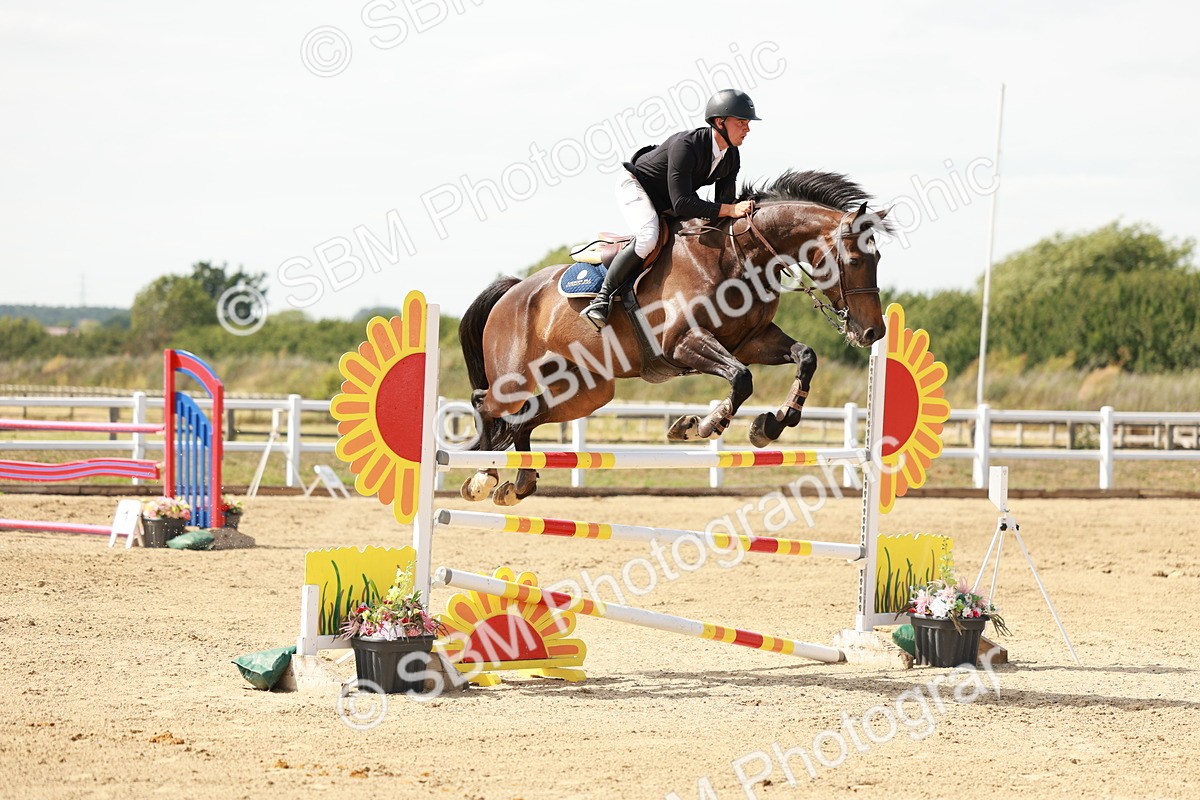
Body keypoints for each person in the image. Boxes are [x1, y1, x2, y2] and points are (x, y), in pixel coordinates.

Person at [581, 89, 760, 330]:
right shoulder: (687, 145)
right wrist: (730, 209)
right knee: (647, 238)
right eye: (741, 122)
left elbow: (723, 204)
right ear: (720, 122)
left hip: (669, 199)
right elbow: (683, 204)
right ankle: (602, 299)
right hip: (636, 185)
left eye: (747, 123)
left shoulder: (731, 156)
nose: (747, 129)